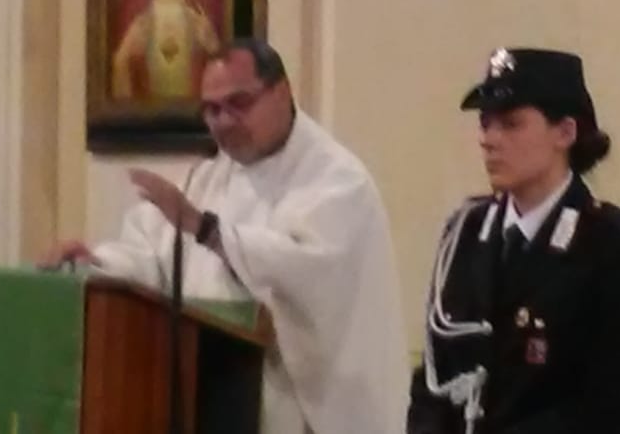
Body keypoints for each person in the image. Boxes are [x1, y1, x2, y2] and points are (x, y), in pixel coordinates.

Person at [48, 38, 408, 434]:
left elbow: (302, 274)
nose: (223, 121)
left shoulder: (337, 181)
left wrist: (206, 229)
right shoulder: (209, 176)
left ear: (282, 92)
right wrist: (97, 265)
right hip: (213, 395)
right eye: (211, 109)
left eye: (238, 103)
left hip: (301, 410)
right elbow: (155, 259)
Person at [408, 48, 620, 434]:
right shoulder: (467, 231)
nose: (489, 140)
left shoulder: (611, 244)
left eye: (511, 124)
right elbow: (435, 375)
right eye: (485, 123)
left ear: (565, 132)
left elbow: (610, 406)